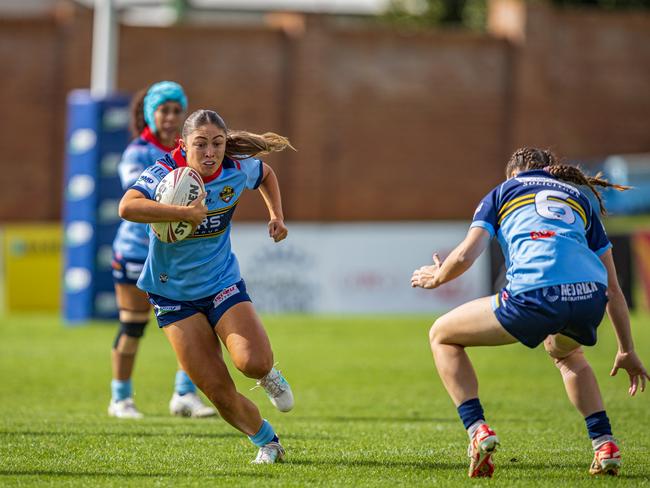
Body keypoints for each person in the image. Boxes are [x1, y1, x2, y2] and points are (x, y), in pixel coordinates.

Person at [411, 147, 649, 478]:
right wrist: (627, 349)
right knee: (567, 355)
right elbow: (613, 288)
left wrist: (436, 278)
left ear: (513, 173)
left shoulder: (503, 192)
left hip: (535, 296)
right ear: (553, 171)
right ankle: (604, 443)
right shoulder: (579, 200)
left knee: (441, 335)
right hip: (587, 298)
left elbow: (466, 255)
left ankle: (477, 430)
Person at [118, 109, 295, 464]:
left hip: (221, 283)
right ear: (184, 145)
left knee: (253, 361)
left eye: (217, 143)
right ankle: (268, 441)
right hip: (172, 295)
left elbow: (267, 174)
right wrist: (183, 213)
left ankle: (267, 374)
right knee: (216, 390)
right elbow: (127, 207)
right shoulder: (164, 172)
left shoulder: (236, 168)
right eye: (201, 144)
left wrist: (276, 215)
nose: (210, 152)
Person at [109, 81, 216, 419]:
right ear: (149, 115)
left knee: (198, 326)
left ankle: (185, 394)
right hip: (137, 252)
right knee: (133, 326)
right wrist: (180, 209)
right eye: (164, 110)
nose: (171, 118)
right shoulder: (138, 152)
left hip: (177, 254)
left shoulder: (190, 151)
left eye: (177, 111)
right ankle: (121, 399)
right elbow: (135, 200)